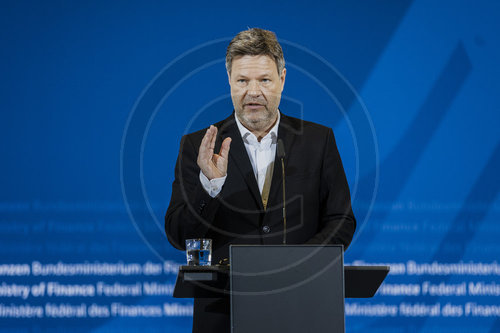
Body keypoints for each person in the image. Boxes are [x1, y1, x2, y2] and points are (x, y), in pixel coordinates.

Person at [165, 28, 356, 333]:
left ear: (282, 78)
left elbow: (341, 220)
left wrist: (300, 265)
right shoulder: (199, 146)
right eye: (242, 80)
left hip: (303, 307)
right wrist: (210, 187)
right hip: (223, 314)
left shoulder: (318, 140)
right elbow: (178, 235)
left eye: (264, 80)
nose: (253, 92)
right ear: (229, 80)